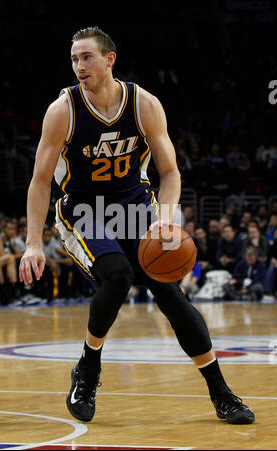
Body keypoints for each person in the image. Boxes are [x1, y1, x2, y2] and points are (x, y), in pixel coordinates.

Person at [19, 26, 254, 425]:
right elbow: (41, 181)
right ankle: (88, 369)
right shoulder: (63, 111)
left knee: (170, 295)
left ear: (110, 59)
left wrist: (165, 220)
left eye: (87, 57)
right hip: (83, 209)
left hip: (134, 205)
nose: (79, 66)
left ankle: (221, 394)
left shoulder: (144, 104)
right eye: (74, 59)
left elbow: (170, 172)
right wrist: (33, 244)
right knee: (117, 275)